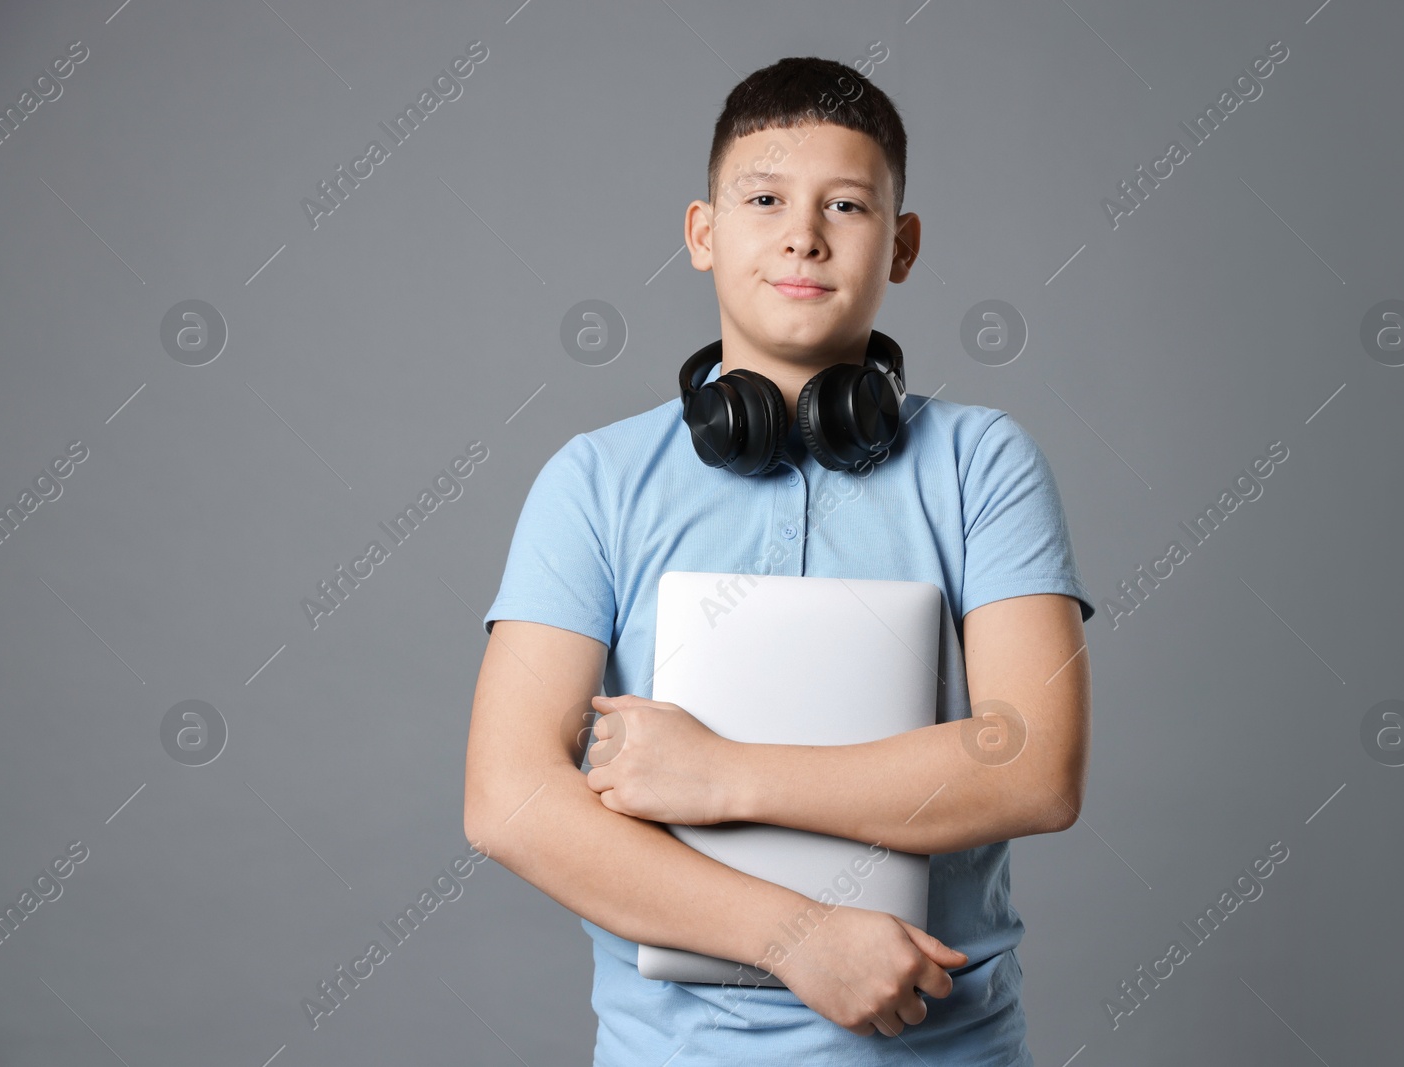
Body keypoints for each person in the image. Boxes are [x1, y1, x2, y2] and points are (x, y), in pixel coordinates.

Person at [463, 55, 1096, 1066]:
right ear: (703, 234)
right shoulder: (594, 479)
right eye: (764, 199)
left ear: (902, 245)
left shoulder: (985, 461)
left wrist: (720, 773)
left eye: (845, 205)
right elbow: (509, 799)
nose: (802, 232)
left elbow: (1033, 762)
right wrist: (797, 937)